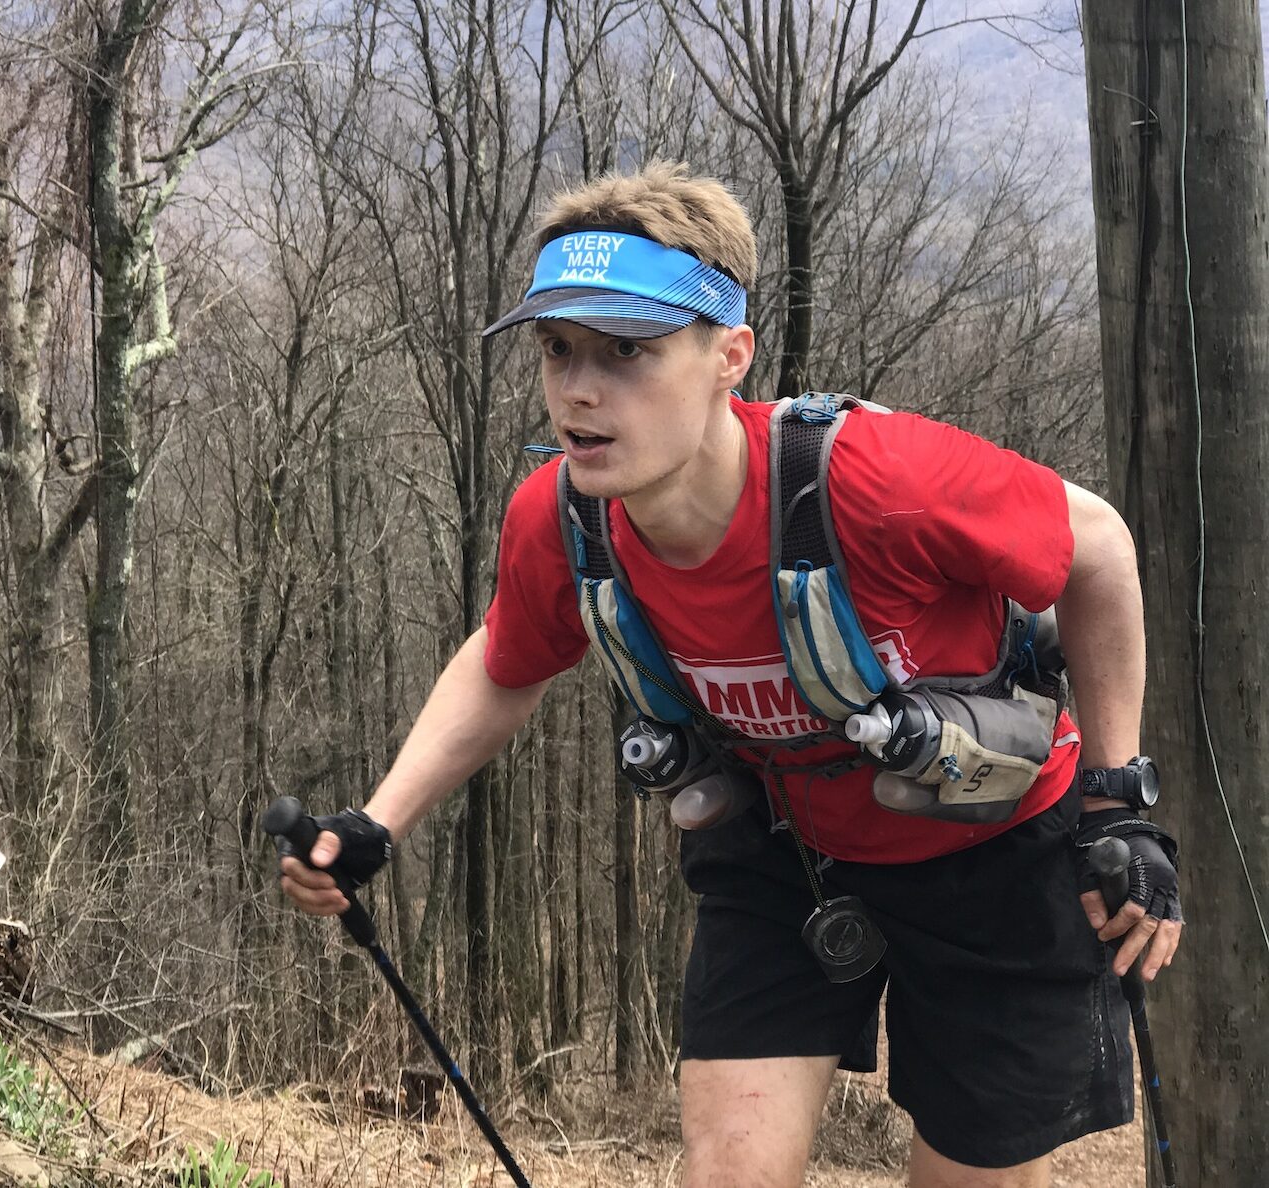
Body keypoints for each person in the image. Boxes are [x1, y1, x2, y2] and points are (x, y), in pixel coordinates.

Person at [276, 161, 1182, 1188]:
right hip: (786, 855)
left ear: (728, 357)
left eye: (630, 352)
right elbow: (506, 658)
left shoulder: (871, 482)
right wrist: (378, 821)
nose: (580, 387)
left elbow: (1097, 547)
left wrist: (1117, 803)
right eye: (558, 349)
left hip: (996, 854)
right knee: (729, 1172)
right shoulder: (564, 520)